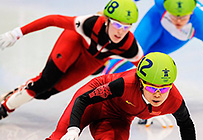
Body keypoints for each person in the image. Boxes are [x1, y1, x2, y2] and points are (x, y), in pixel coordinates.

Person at [0, 0, 144, 120]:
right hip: (74, 41)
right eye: (117, 25)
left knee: (44, 93)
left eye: (126, 27)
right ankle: (4, 108)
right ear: (106, 20)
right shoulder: (89, 24)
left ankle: (13, 95)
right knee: (46, 81)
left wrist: (149, 103)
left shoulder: (130, 48)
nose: (120, 31)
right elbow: (52, 20)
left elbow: (145, 74)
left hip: (93, 61)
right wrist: (17, 33)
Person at [101, 0, 203, 125]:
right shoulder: (160, 3)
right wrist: (115, 7)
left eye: (183, 17)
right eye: (174, 16)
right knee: (128, 56)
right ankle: (98, 90)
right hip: (156, 20)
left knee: (150, 66)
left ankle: (141, 104)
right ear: (167, 8)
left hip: (172, 38)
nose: (178, 21)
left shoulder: (202, 24)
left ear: (191, 12)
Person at [45, 52, 196, 140]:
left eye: (164, 89)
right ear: (141, 83)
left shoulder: (174, 100)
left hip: (118, 118)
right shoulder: (126, 84)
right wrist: (73, 129)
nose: (158, 94)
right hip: (94, 101)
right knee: (60, 136)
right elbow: (83, 99)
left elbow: (186, 125)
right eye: (152, 87)